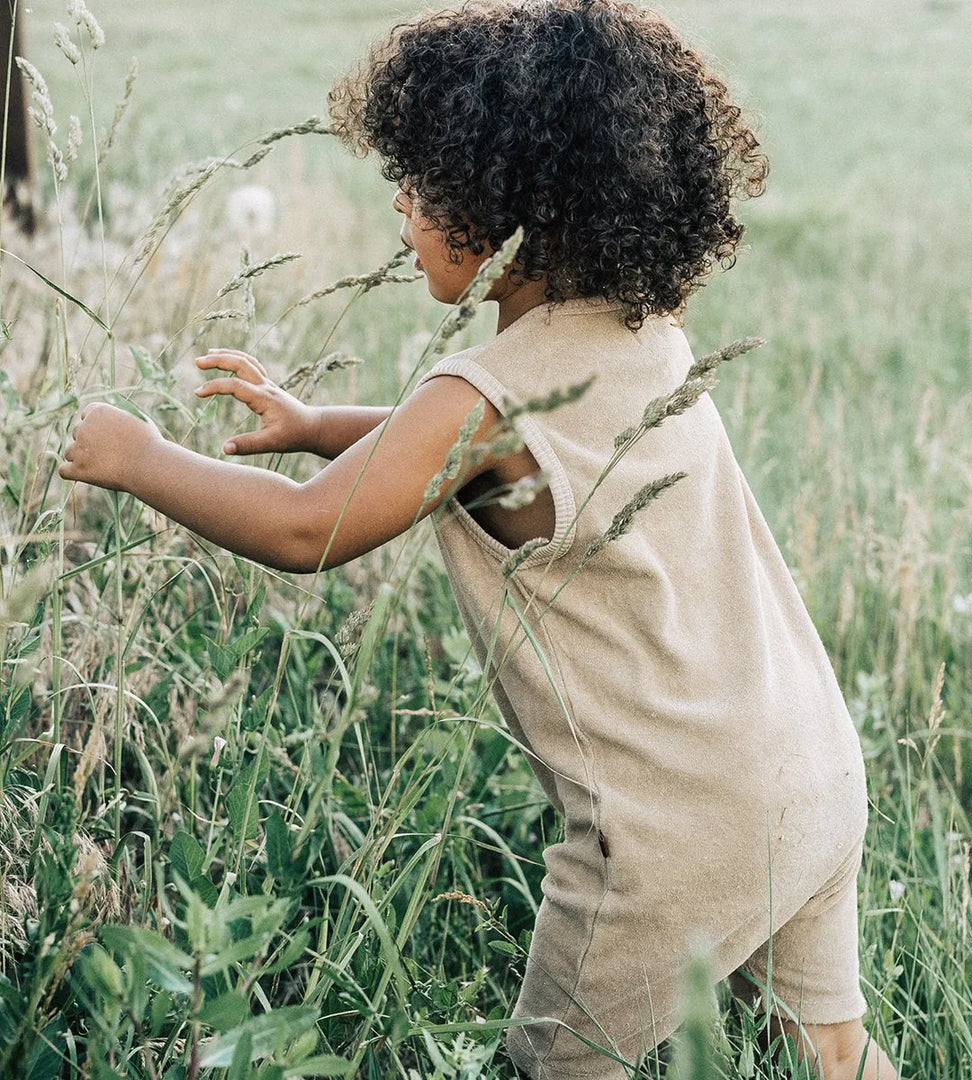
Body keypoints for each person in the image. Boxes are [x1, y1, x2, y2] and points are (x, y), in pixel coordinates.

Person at [61, 1, 899, 1077]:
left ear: (514, 210)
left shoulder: (484, 393)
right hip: (808, 766)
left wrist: (138, 457)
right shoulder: (646, 338)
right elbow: (509, 462)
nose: (401, 207)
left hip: (671, 836)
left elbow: (308, 529)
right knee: (832, 1054)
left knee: (554, 1067)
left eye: (423, 183)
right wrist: (320, 425)